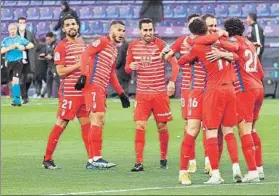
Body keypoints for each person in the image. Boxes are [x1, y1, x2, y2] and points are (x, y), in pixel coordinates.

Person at [178, 18, 241, 184]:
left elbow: (235, 50)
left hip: (212, 91)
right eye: (211, 26)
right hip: (198, 91)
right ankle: (184, 171)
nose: (214, 28)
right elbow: (234, 50)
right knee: (193, 129)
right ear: (205, 27)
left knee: (215, 132)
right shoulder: (204, 41)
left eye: (215, 25)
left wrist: (223, 52)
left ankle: (214, 170)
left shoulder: (211, 41)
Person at [207, 18, 264, 182]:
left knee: (244, 130)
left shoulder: (235, 42)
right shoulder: (250, 44)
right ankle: (259, 168)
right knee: (252, 129)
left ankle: (252, 171)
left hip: (245, 89)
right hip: (258, 87)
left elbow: (232, 48)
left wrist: (220, 47)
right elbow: (261, 73)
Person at [125, 18, 179, 172]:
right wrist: (130, 66)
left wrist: (172, 82)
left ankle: (163, 158)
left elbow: (175, 64)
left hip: (159, 94)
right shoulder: (133, 46)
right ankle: (138, 162)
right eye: (145, 30)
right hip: (142, 94)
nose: (148, 33)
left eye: (150, 30)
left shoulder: (162, 45)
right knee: (140, 125)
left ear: (153, 30)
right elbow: (127, 68)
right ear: (140, 31)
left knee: (162, 127)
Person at [75, 20, 130, 169]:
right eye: (118, 30)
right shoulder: (102, 41)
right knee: (97, 118)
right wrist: (84, 75)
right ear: (111, 30)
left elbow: (112, 73)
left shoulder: (114, 49)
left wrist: (121, 93)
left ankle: (93, 160)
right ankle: (95, 158)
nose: (121, 33)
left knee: (98, 120)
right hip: (93, 85)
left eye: (123, 31)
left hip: (101, 88)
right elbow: (85, 54)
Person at [42, 15, 90, 169]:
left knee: (87, 125)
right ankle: (47, 159)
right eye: (68, 25)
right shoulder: (61, 47)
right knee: (61, 123)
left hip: (83, 92)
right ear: (63, 29)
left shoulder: (83, 44)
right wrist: (78, 64)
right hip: (69, 92)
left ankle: (92, 159)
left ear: (77, 26)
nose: (71, 27)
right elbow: (61, 71)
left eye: (73, 24)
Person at [162, 13, 201, 175]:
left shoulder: (206, 41)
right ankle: (191, 159)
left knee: (208, 125)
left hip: (204, 87)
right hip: (187, 88)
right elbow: (167, 53)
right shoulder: (182, 41)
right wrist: (166, 53)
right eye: (192, 23)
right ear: (188, 24)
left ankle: (208, 161)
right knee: (188, 124)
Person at [1, 23, 34, 106]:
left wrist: (23, 47)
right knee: (13, 82)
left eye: (14, 29)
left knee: (16, 80)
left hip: (18, 62)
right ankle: (17, 100)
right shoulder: (6, 40)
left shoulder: (20, 39)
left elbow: (31, 45)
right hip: (9, 63)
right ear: (8, 30)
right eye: (11, 29)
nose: (12, 31)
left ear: (16, 30)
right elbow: (2, 50)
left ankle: (17, 100)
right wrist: (11, 47)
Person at [17, 17, 37, 104]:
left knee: (29, 78)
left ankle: (25, 95)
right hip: (18, 59)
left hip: (28, 58)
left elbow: (34, 44)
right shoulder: (14, 34)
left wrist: (30, 47)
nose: (22, 24)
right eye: (20, 22)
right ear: (18, 23)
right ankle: (24, 97)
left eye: (23, 22)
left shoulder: (29, 34)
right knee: (22, 78)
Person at [45, 32, 60, 98]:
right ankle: (49, 96)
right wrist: (45, 56)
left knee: (57, 81)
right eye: (47, 39)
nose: (48, 41)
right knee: (48, 81)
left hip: (55, 66)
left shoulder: (57, 45)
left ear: (52, 38)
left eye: (49, 39)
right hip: (49, 66)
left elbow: (59, 55)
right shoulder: (48, 46)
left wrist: (52, 57)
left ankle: (60, 95)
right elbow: (48, 53)